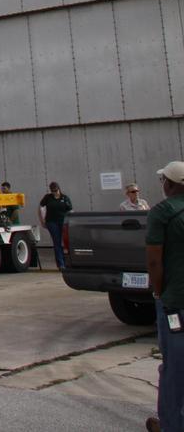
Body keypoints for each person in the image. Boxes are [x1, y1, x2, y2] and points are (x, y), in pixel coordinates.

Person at [146, 161, 184, 432]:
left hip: (175, 303)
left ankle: (171, 425)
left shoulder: (162, 212)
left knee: (174, 369)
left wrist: (159, 293)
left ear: (170, 184)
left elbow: (154, 262)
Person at [38, 181, 73, 270]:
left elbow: (70, 210)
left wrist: (71, 221)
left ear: (59, 189)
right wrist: (42, 220)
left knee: (65, 242)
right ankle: (61, 264)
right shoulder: (48, 197)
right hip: (51, 222)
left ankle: (68, 262)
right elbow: (40, 208)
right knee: (57, 242)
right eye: (53, 191)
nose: (55, 192)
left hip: (63, 222)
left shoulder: (65, 198)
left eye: (56, 190)